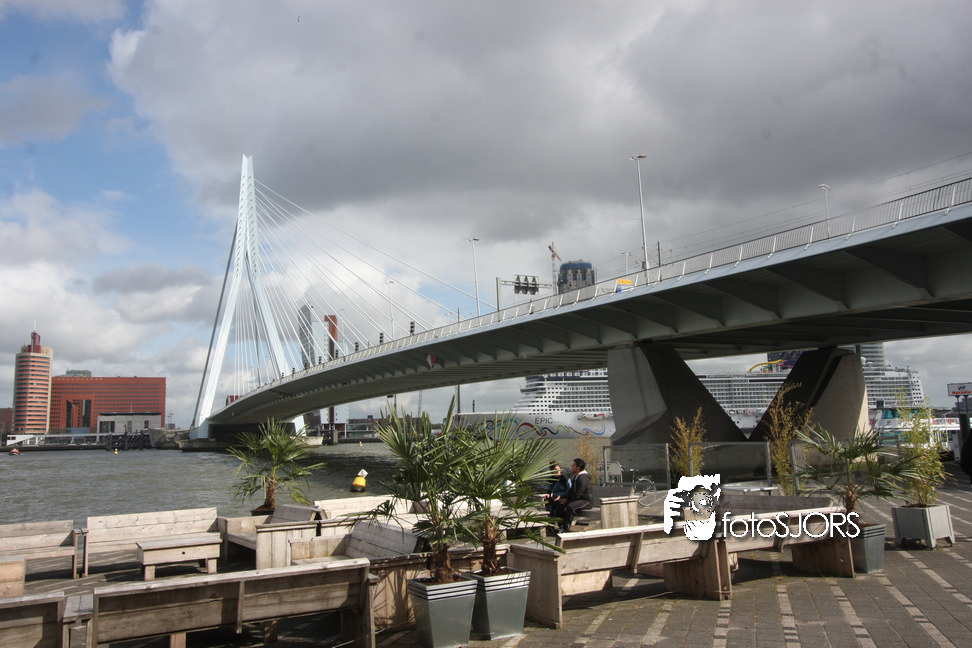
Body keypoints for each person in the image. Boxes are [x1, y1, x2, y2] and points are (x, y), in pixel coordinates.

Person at [551, 457, 593, 532]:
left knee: (570, 507)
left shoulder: (583, 478)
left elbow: (578, 494)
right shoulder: (575, 477)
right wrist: (563, 497)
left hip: (586, 501)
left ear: (578, 468)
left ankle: (565, 527)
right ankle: (561, 526)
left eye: (573, 465)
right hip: (577, 500)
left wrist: (567, 502)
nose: (571, 466)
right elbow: (571, 491)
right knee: (559, 504)